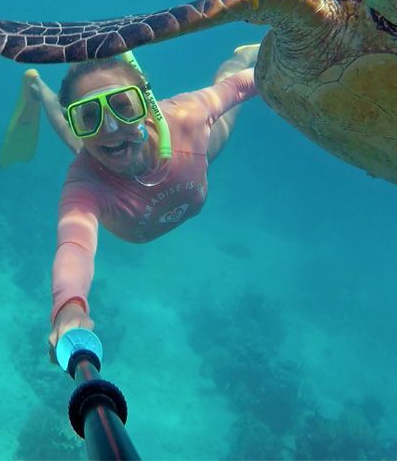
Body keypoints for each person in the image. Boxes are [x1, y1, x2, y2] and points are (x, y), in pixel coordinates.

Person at [17, 45, 260, 358]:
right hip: (171, 168)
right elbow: (74, 246)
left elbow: (241, 86)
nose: (111, 127)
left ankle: (242, 53)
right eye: (88, 115)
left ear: (146, 104)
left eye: (123, 106)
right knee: (73, 140)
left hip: (196, 150)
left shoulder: (188, 115)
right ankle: (39, 88)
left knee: (229, 95)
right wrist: (69, 307)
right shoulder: (85, 184)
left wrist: (292, 69)